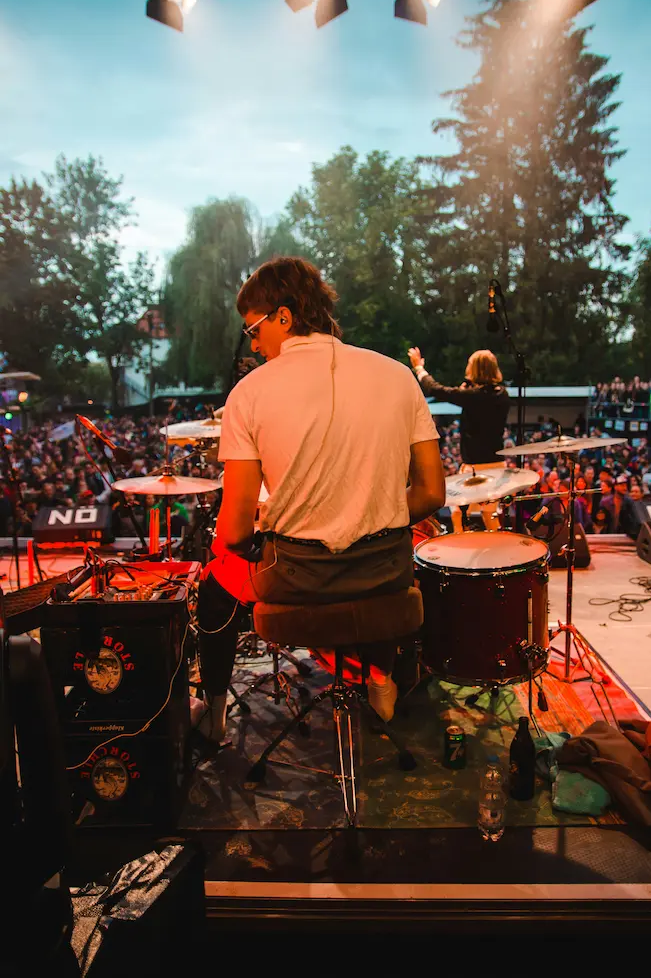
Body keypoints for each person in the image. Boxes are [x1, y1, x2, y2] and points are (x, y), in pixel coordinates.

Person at [195, 257, 445, 742]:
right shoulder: (397, 376)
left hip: (297, 582)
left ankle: (216, 711)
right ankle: (379, 673)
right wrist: (377, 512)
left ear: (283, 317)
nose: (254, 344)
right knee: (381, 564)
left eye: (253, 330)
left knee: (212, 585)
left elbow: (234, 531)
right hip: (385, 573)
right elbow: (433, 492)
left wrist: (267, 531)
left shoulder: (248, 394)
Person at [407, 347, 509, 532]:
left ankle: (464, 550)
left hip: (478, 466)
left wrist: (419, 368)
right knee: (481, 513)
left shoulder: (475, 397)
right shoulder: (501, 394)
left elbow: (435, 389)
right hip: (493, 464)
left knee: (468, 513)